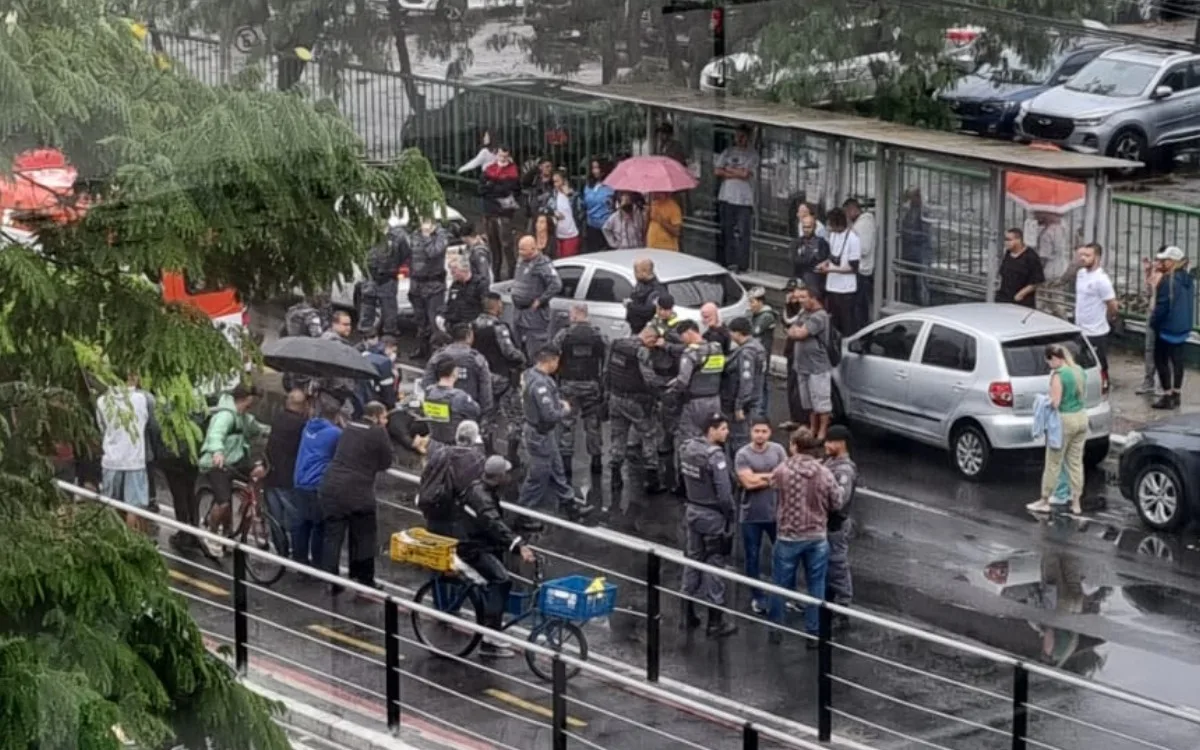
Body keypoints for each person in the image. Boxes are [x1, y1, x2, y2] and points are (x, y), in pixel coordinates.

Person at [450, 456, 537, 658]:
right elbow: (493, 523)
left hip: (479, 543)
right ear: (498, 477)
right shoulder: (482, 497)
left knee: (498, 579)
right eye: (505, 473)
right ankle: (489, 639)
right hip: (473, 549)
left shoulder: (481, 488)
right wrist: (518, 545)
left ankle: (491, 621)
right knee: (501, 580)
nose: (508, 476)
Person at [768, 428, 843, 645]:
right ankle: (813, 633)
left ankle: (776, 630)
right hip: (817, 536)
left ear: (794, 446)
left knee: (779, 584)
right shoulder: (824, 473)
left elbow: (772, 485)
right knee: (816, 585)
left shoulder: (783, 470)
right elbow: (837, 501)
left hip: (788, 536)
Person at [319, 401, 394, 594]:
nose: (386, 421)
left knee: (333, 536)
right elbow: (387, 461)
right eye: (385, 417)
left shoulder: (349, 427)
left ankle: (331, 581)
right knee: (364, 535)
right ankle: (363, 577)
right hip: (358, 492)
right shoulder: (378, 432)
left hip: (331, 486)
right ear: (377, 416)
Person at [516, 347, 595, 523]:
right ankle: (523, 514)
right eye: (557, 362)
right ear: (551, 361)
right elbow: (549, 414)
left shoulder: (529, 374)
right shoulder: (541, 384)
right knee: (538, 476)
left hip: (543, 432)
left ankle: (570, 506)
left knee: (557, 469)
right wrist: (564, 409)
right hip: (539, 434)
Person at [679, 413, 738, 638]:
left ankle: (687, 612)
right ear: (710, 431)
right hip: (713, 515)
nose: (726, 432)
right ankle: (715, 621)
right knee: (715, 563)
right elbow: (724, 493)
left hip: (692, 510)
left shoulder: (687, 449)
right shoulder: (715, 457)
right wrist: (730, 515)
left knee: (693, 559)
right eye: (722, 428)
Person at [198, 385, 269, 557]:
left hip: (235, 460)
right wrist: (217, 452)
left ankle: (247, 510)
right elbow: (216, 435)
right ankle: (211, 535)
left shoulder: (245, 418)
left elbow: (258, 429)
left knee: (260, 471)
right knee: (223, 502)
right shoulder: (226, 416)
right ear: (248, 399)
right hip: (217, 463)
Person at [1026, 345, 1088, 516]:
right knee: (1075, 463)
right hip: (1081, 418)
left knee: (1053, 462)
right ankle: (1076, 502)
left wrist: (1042, 400)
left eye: (1048, 361)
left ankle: (1044, 500)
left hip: (1064, 420)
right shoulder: (1079, 371)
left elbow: (1055, 402)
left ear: (1054, 358)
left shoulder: (1058, 375)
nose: (1048, 365)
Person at [735, 418, 786, 615]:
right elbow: (748, 483)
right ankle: (757, 596)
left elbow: (784, 477)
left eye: (763, 431)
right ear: (751, 432)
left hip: (776, 514)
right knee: (752, 557)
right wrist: (771, 477)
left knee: (782, 556)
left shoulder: (778, 450)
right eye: (756, 431)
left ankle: (782, 594)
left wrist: (759, 477)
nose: (760, 435)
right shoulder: (743, 454)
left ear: (770, 432)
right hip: (751, 516)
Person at [607, 325, 666, 493]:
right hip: (637, 402)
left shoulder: (617, 344)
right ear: (650, 338)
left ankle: (615, 477)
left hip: (616, 398)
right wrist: (661, 391)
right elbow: (649, 379)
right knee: (648, 436)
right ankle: (651, 479)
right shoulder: (642, 351)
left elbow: (607, 371)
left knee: (618, 437)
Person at [553, 303, 608, 480]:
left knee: (567, 424)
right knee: (593, 425)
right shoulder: (598, 335)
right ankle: (596, 463)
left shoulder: (564, 335)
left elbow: (553, 356)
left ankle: (566, 465)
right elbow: (606, 363)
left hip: (568, 385)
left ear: (576, 315)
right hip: (591, 385)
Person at [670, 321, 725, 489]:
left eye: (682, 337)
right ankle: (713, 475)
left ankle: (684, 483)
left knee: (686, 440)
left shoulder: (690, 354)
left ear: (688, 332)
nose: (683, 341)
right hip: (714, 400)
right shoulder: (717, 348)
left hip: (695, 402)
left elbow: (683, 382)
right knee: (712, 438)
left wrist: (672, 392)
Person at [473, 292, 527, 461]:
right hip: (502, 377)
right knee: (515, 416)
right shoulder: (498, 327)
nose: (502, 307)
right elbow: (509, 352)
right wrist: (523, 358)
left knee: (487, 413)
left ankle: (488, 449)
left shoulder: (474, 325)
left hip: (483, 376)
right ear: (495, 306)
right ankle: (512, 455)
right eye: (500, 304)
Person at [292, 395, 343, 569]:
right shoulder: (335, 433)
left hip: (300, 480)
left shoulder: (308, 427)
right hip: (316, 484)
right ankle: (317, 564)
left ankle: (299, 560)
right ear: (337, 416)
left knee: (302, 523)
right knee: (319, 525)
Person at [96, 375, 152, 532]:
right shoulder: (142, 399)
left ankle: (114, 540)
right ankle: (133, 541)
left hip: (111, 459)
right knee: (134, 507)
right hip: (135, 461)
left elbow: (102, 428)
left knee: (111, 505)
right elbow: (149, 423)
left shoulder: (102, 401)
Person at [264, 389, 310, 557]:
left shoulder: (277, 418)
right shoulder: (302, 425)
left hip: (271, 476)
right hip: (289, 479)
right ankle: (299, 557)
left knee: (275, 518)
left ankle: (281, 552)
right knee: (296, 520)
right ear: (304, 405)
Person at [1149, 245, 1194, 410]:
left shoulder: (1168, 281)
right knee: (1178, 361)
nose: (1161, 262)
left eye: (1164, 260)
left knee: (1161, 360)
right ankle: (1177, 393)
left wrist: (1153, 322)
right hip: (1182, 327)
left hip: (1167, 328)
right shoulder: (1188, 280)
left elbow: (1162, 307)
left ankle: (1167, 395)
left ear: (1172, 261)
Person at [421, 322, 494, 424]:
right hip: (467, 414)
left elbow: (426, 383)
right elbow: (486, 389)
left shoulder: (438, 356)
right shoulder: (476, 358)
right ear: (469, 336)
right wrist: (485, 414)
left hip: (441, 412)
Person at [787, 287, 834, 441]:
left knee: (821, 402)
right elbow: (790, 329)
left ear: (813, 298)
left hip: (817, 367)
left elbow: (800, 333)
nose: (799, 301)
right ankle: (812, 428)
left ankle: (822, 432)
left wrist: (796, 331)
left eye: (803, 297)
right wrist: (795, 331)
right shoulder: (804, 313)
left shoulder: (820, 316)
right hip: (802, 366)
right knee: (809, 403)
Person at [510, 235, 563, 360]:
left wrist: (541, 300)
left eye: (523, 249)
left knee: (536, 350)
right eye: (519, 249)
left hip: (533, 315)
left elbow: (556, 284)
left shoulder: (542, 263)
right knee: (517, 348)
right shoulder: (521, 260)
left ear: (533, 248)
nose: (519, 252)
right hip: (518, 312)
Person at [714, 124, 758, 272]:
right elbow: (718, 170)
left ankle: (742, 264)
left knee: (743, 233)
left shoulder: (752, 154)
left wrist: (729, 170)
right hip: (727, 197)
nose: (739, 139)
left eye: (742, 136)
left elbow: (746, 174)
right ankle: (727, 261)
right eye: (737, 136)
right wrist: (736, 172)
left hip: (744, 200)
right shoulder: (728, 152)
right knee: (726, 231)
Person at [823, 425, 857, 609]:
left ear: (841, 443)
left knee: (837, 565)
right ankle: (829, 598)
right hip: (827, 524)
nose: (826, 444)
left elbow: (839, 501)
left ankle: (844, 604)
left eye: (830, 441)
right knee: (827, 564)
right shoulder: (830, 462)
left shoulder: (844, 471)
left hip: (836, 524)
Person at [421, 356, 482, 456]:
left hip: (433, 445)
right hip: (454, 448)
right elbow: (476, 411)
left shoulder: (429, 391)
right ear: (454, 373)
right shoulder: (460, 396)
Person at [406, 219, 449, 360]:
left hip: (434, 285)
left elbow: (433, 252)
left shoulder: (440, 236)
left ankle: (436, 352)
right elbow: (408, 256)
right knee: (420, 320)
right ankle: (422, 348)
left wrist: (426, 236)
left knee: (434, 321)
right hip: (417, 285)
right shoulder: (414, 235)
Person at [1074, 243, 1117, 379]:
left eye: (1087, 255)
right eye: (1082, 255)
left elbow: (1112, 304)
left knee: (1099, 364)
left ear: (1097, 257)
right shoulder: (1081, 274)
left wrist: (1109, 317)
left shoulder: (1102, 280)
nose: (1083, 258)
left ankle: (1104, 386)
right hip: (1080, 328)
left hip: (1096, 331)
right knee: (1081, 363)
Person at [360, 222, 409, 336]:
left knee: (389, 313)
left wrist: (393, 268)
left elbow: (405, 254)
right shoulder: (366, 234)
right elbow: (359, 253)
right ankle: (366, 338)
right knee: (367, 310)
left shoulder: (398, 237)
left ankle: (389, 340)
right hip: (370, 278)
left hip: (388, 279)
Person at [726, 316, 768, 454]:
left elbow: (746, 381)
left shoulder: (747, 352)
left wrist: (739, 406)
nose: (730, 335)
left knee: (740, 438)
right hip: (756, 397)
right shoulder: (758, 347)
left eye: (731, 332)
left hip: (747, 403)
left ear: (738, 333)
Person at [480, 146, 522, 280]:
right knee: (494, 247)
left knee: (507, 246)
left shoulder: (513, 170)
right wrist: (495, 188)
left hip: (504, 214)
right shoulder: (489, 169)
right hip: (490, 213)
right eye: (500, 155)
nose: (502, 159)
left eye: (505, 156)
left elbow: (510, 190)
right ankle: (496, 276)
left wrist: (491, 186)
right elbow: (481, 189)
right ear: (496, 155)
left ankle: (511, 276)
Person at [818, 208, 861, 336]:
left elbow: (853, 268)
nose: (829, 227)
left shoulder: (853, 239)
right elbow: (832, 256)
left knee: (847, 323)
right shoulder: (833, 235)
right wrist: (825, 263)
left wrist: (831, 269)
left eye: (831, 224)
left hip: (846, 289)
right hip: (832, 286)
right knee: (833, 321)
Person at [844, 198, 877, 326]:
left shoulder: (864, 224)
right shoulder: (859, 224)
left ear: (852, 210)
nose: (847, 217)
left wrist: (848, 247)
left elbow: (864, 249)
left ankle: (861, 334)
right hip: (858, 270)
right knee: (856, 305)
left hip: (862, 271)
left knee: (859, 307)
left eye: (847, 213)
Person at [899, 187, 933, 306]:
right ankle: (913, 302)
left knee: (922, 282)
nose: (909, 200)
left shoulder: (924, 211)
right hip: (910, 251)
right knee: (911, 281)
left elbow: (925, 233)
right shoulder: (909, 210)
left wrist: (908, 233)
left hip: (921, 251)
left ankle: (924, 305)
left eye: (911, 197)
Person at [996, 227, 1044, 309]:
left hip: (1021, 301)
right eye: (1005, 240)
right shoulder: (1008, 253)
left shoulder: (1031, 256)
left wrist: (1020, 294)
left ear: (1018, 240)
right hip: (1004, 297)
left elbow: (1037, 280)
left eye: (1009, 240)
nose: (1006, 242)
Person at [747, 287, 778, 410]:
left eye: (752, 302)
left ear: (760, 302)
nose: (750, 306)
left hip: (763, 353)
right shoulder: (755, 315)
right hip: (756, 352)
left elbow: (754, 331)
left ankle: (761, 412)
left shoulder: (766, 316)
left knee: (761, 383)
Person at [626, 258, 668, 335]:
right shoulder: (642, 284)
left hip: (646, 332)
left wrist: (629, 305)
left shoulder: (656, 290)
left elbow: (648, 311)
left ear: (644, 272)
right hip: (636, 328)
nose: (634, 274)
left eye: (636, 271)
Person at [444, 257, 489, 328]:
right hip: (454, 323)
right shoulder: (455, 285)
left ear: (464, 269)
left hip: (471, 322)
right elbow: (450, 304)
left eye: (454, 272)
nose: (452, 274)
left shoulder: (479, 283)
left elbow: (486, 307)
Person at [793, 213, 831, 295]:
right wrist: (810, 257)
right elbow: (794, 260)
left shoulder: (821, 243)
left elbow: (822, 261)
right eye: (804, 227)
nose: (806, 230)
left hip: (816, 282)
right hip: (800, 278)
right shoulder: (797, 242)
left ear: (814, 227)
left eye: (809, 227)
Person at [582, 159, 614, 253]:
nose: (595, 171)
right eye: (593, 168)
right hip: (591, 226)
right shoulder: (588, 185)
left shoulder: (611, 186)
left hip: (606, 226)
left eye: (598, 168)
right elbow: (584, 203)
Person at [551, 169, 582, 258]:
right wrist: (553, 214)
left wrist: (569, 195)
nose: (555, 184)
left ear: (564, 181)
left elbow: (580, 211)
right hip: (558, 234)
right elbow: (546, 208)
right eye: (554, 182)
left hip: (570, 235)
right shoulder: (553, 195)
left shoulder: (574, 196)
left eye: (557, 181)